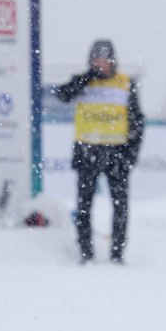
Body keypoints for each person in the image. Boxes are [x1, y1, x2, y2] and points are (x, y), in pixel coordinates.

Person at [53, 39, 144, 263]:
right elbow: (62, 95)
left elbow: (137, 121)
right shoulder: (83, 82)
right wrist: (87, 77)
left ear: (113, 61)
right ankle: (86, 252)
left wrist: (131, 154)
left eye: (105, 59)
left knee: (120, 205)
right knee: (84, 205)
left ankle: (117, 253)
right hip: (87, 152)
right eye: (97, 59)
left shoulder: (125, 83)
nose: (101, 64)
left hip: (117, 154)